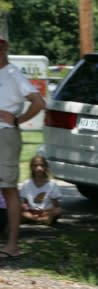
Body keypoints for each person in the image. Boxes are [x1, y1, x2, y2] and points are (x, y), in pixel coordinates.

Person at [0, 37, 46, 259]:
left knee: (8, 188)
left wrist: (17, 120)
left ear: (6, 48)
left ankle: (12, 245)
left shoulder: (13, 74)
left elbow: (38, 102)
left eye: (0, 46)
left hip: (5, 135)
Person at [19, 155, 63, 225]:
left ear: (45, 167)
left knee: (58, 210)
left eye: (41, 165)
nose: (39, 168)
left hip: (46, 211)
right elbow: (25, 203)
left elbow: (56, 205)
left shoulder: (52, 184)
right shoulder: (27, 183)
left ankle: (36, 219)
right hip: (32, 211)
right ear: (31, 168)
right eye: (35, 166)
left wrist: (47, 211)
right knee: (17, 210)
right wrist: (24, 206)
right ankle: (40, 219)